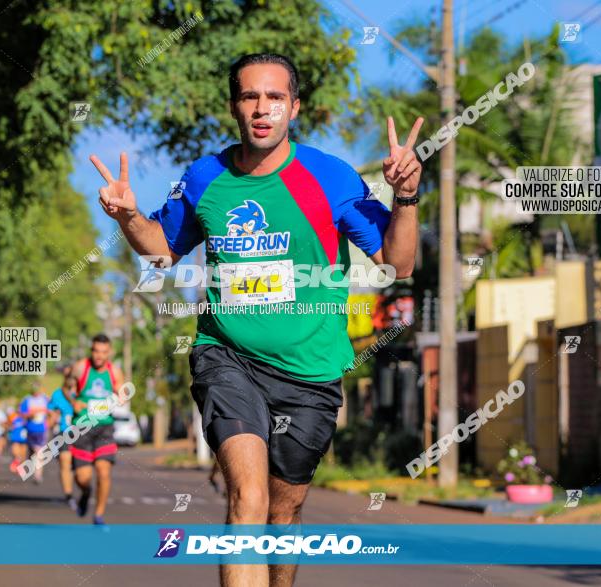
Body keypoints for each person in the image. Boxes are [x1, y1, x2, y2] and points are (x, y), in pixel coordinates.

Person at [90, 53, 421, 586]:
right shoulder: (205, 177)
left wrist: (405, 195)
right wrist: (129, 216)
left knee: (282, 514)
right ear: (234, 107)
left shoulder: (328, 176)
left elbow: (397, 261)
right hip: (227, 358)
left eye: (273, 97)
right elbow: (161, 252)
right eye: (250, 97)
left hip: (309, 371)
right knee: (248, 497)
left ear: (294, 107)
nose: (261, 109)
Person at [69, 334, 125, 525]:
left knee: (103, 472)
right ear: (91, 350)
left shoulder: (115, 371)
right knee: (82, 478)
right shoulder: (80, 367)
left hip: (104, 428)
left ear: (109, 353)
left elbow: (121, 392)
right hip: (81, 427)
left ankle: (99, 514)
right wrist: (73, 401)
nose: (99, 356)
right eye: (96, 351)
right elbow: (66, 389)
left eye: (103, 352)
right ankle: (86, 493)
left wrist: (121, 395)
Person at [49, 373, 78, 509]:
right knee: (65, 462)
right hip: (64, 433)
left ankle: (82, 490)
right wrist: (52, 418)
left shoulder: (83, 392)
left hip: (82, 433)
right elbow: (51, 413)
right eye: (69, 376)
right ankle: (69, 495)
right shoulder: (57, 394)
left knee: (79, 468)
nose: (71, 379)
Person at [19, 382, 50, 484]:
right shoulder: (27, 400)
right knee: (33, 452)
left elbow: (52, 412)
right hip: (30, 430)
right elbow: (21, 413)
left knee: (39, 452)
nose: (36, 391)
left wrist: (49, 422)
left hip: (41, 430)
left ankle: (37, 476)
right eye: (34, 389)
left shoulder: (45, 399)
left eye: (38, 389)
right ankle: (32, 468)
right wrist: (29, 415)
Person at [7, 406, 28, 474]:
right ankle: (15, 464)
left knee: (23, 456)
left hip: (24, 440)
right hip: (15, 438)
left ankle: (20, 468)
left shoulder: (26, 419)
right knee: (16, 454)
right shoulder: (13, 417)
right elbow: (7, 425)